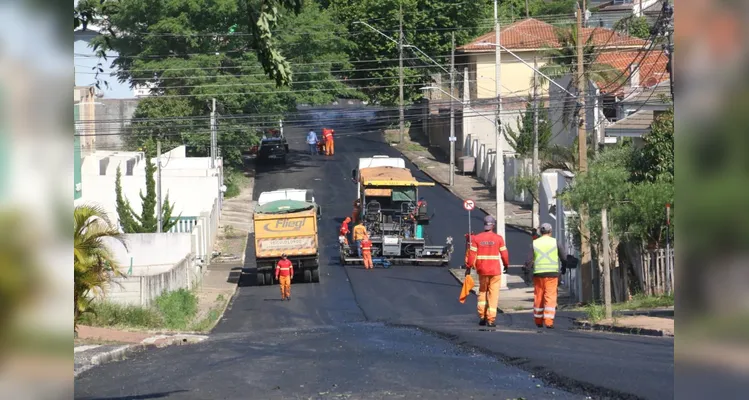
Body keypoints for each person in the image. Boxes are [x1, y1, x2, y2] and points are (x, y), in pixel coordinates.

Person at [466, 215, 510, 328]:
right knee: (493, 294)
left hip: (482, 270)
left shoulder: (477, 238)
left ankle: (482, 317)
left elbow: (471, 255)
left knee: (482, 292)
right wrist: (506, 265)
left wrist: (468, 267)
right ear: (493, 225)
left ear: (484, 225)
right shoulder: (498, 238)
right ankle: (491, 319)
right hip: (495, 271)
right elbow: (504, 254)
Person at [527, 223, 568, 329]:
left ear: (541, 232)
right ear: (550, 231)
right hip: (552, 274)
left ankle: (538, 320)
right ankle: (549, 321)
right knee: (550, 297)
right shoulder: (555, 242)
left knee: (539, 296)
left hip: (538, 274)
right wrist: (564, 267)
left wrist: (527, 269)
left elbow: (529, 260)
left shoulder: (535, 243)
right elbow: (563, 257)